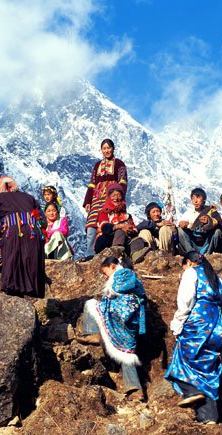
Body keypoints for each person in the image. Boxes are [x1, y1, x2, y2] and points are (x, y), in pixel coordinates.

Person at [165, 251, 222, 424]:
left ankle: (192, 390)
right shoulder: (217, 279)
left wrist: (177, 324)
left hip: (199, 324)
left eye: (183, 265)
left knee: (182, 360)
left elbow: (185, 302)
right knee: (208, 369)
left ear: (188, 262)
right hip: (217, 327)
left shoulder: (191, 273)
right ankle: (209, 416)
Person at [79, 256, 146, 401]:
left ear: (112, 266)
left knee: (91, 304)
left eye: (105, 272)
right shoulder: (130, 275)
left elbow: (115, 291)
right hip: (129, 317)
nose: (105, 276)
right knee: (126, 349)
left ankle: (92, 333)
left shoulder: (123, 274)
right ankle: (135, 389)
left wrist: (108, 294)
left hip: (122, 314)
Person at [0, 176, 46, 298]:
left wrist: (1, 236)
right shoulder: (29, 198)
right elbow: (43, 222)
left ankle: (15, 299)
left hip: (12, 234)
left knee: (13, 272)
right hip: (33, 234)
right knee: (32, 267)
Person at [82, 139, 128, 259]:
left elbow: (123, 181)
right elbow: (92, 183)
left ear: (113, 149)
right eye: (104, 148)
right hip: (96, 198)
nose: (106, 151)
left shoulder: (119, 164)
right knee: (92, 223)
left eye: (108, 148)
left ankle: (111, 252)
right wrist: (87, 201)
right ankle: (89, 253)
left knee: (111, 222)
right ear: (101, 150)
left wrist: (119, 197)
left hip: (111, 198)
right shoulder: (97, 165)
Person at [94, 183, 148, 262]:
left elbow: (133, 228)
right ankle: (116, 253)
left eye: (119, 195)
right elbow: (105, 228)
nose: (116, 198)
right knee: (120, 231)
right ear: (108, 198)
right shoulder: (104, 213)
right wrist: (121, 226)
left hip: (124, 242)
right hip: (105, 241)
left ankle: (135, 255)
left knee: (137, 239)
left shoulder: (126, 215)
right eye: (113, 196)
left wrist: (130, 230)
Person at [176, 188, 222, 255]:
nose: (195, 201)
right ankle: (192, 254)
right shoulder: (188, 213)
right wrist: (182, 224)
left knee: (217, 232)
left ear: (204, 199)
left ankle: (207, 255)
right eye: (193, 198)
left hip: (207, 242)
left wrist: (209, 221)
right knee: (180, 231)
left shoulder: (211, 211)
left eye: (198, 197)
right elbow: (180, 223)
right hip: (192, 243)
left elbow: (220, 223)